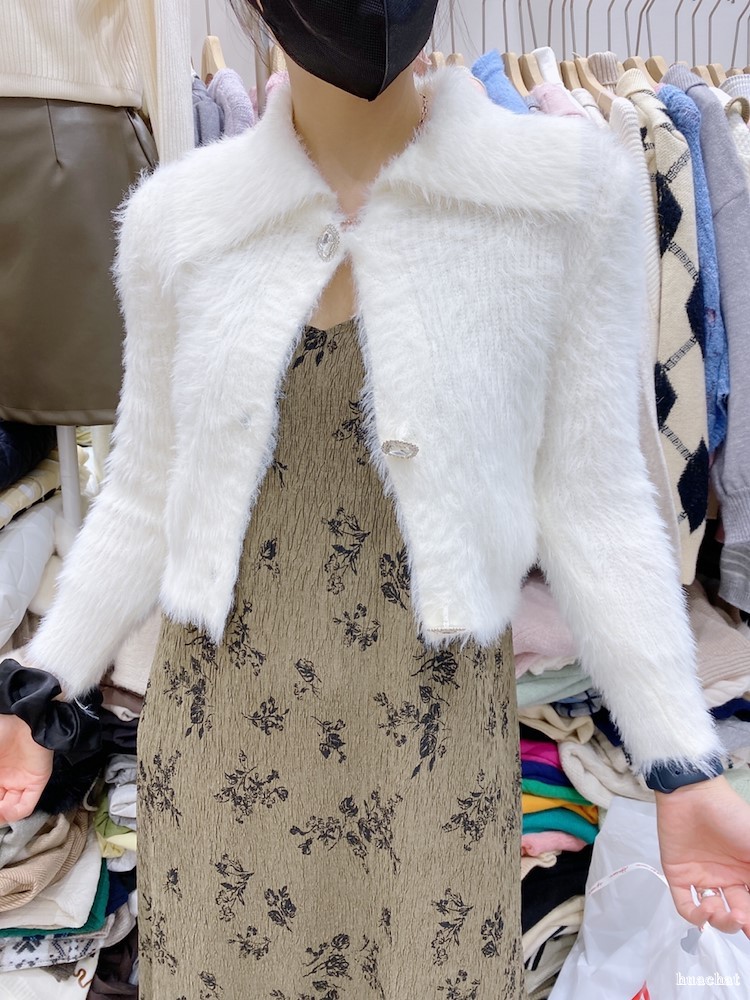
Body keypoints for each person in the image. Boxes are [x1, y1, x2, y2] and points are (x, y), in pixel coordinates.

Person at [1, 1, 749, 996]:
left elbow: (597, 503)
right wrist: (41, 689)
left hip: (431, 752)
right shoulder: (179, 218)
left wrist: (682, 763)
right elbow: (142, 495)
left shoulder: (561, 196)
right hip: (227, 745)